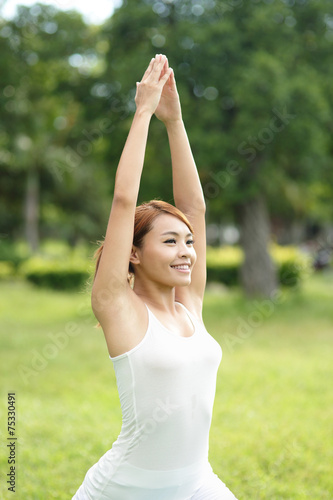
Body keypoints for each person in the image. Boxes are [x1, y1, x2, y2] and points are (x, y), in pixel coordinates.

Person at [72, 54, 237, 500]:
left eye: (188, 241)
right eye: (169, 242)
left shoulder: (190, 306)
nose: (186, 251)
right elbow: (125, 200)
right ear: (134, 255)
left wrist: (175, 121)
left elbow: (196, 208)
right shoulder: (120, 310)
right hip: (123, 490)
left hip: (197, 484)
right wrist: (142, 112)